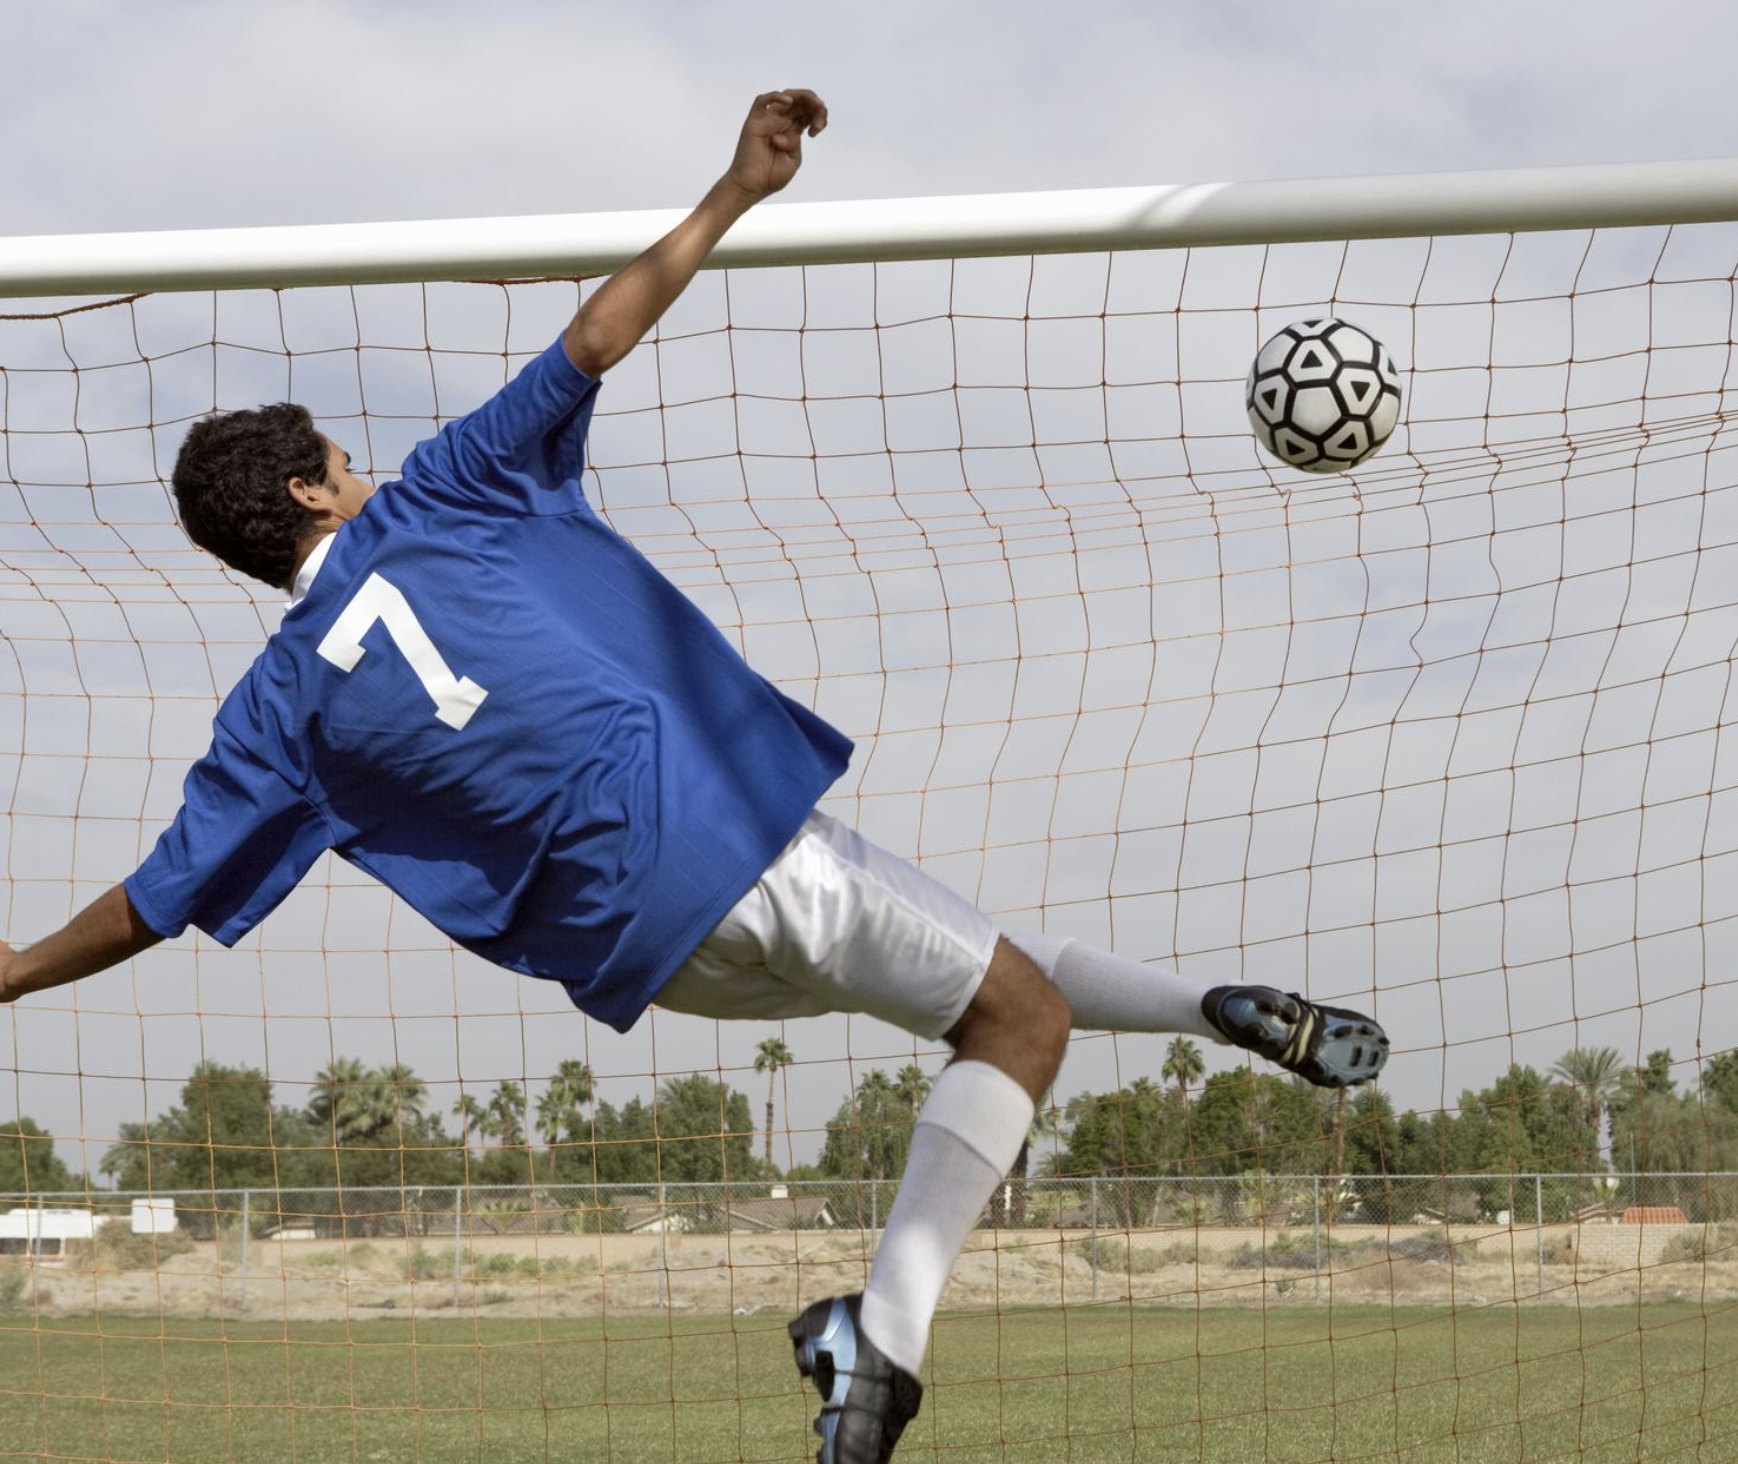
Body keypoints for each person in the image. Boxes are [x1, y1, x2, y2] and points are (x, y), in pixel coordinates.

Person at [0, 91, 1389, 1464]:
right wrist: (734, 191)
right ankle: (881, 1345)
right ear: (311, 492)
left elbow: (149, 901)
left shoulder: (274, 717)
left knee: (991, 985)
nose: (362, 474)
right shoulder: (440, 493)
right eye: (342, 464)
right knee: (1019, 1021)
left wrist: (11, 969)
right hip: (724, 833)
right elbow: (592, 339)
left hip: (645, 952)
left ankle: (1207, 1009)